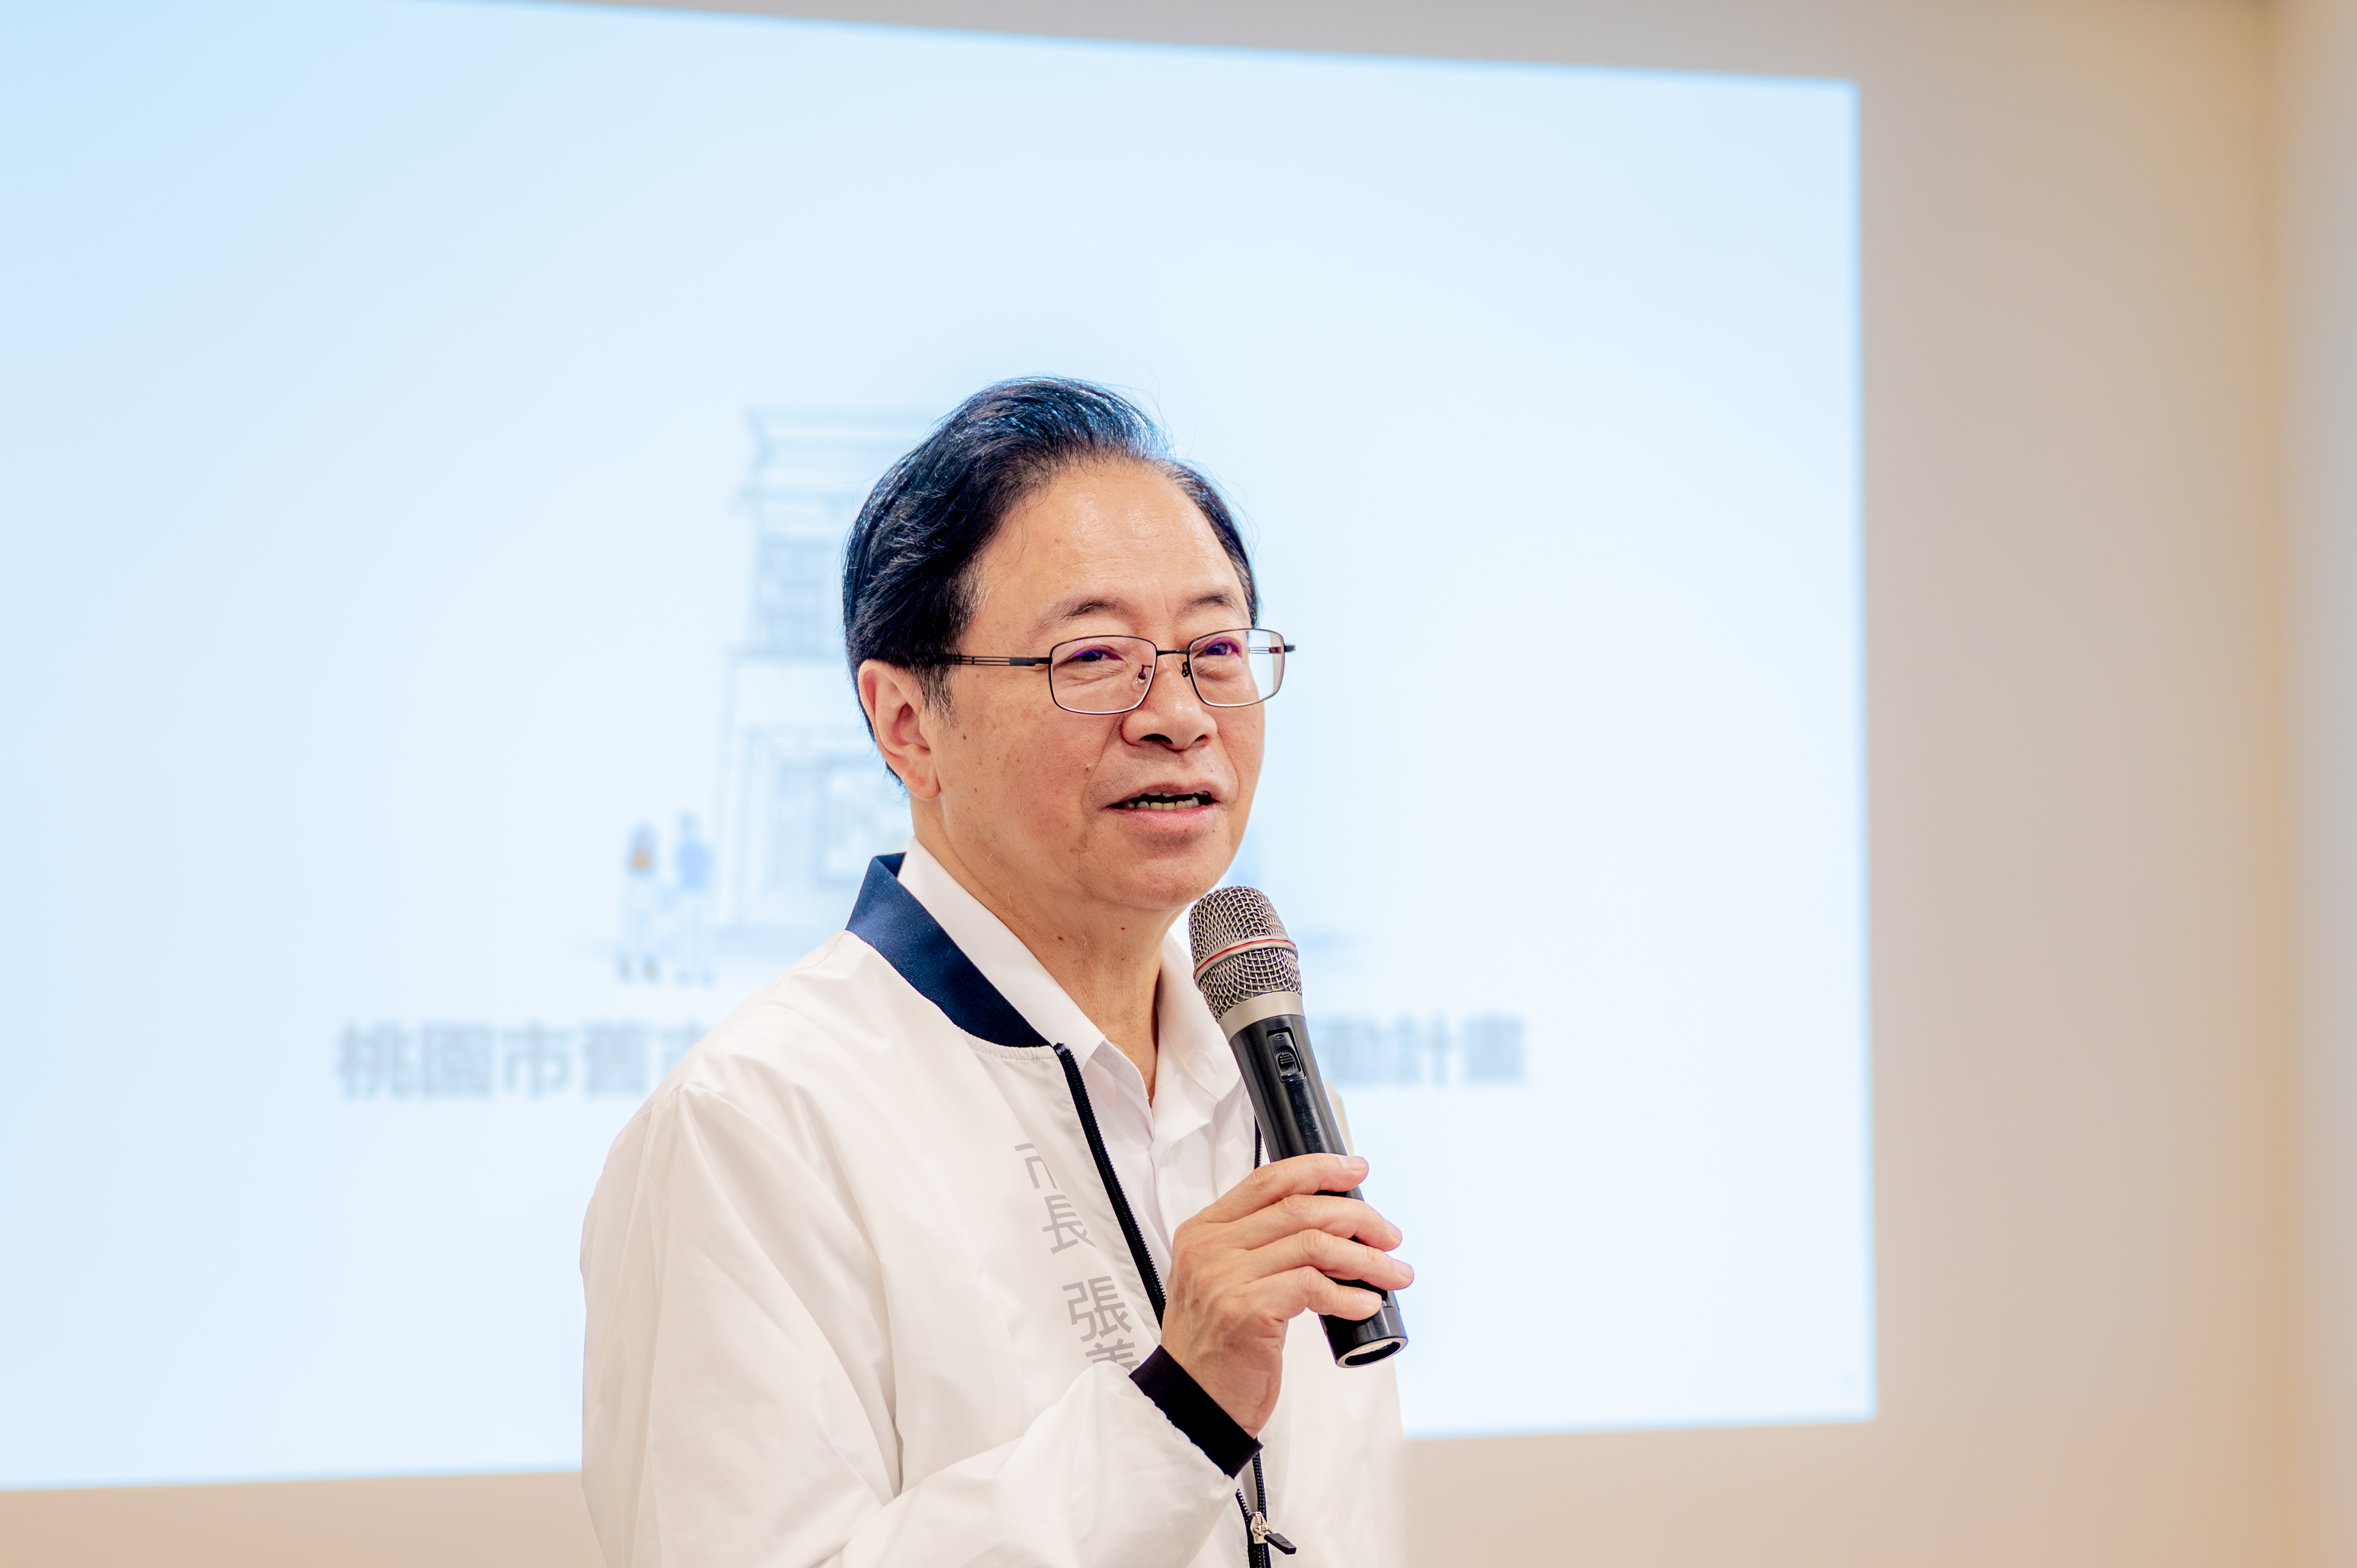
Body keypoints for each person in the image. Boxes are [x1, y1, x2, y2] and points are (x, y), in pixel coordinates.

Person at [580, 379, 1411, 1568]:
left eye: (1215, 649)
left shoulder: (1261, 1074)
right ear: (905, 722)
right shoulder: (754, 1121)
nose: (1178, 714)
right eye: (1094, 655)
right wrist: (1177, 1410)